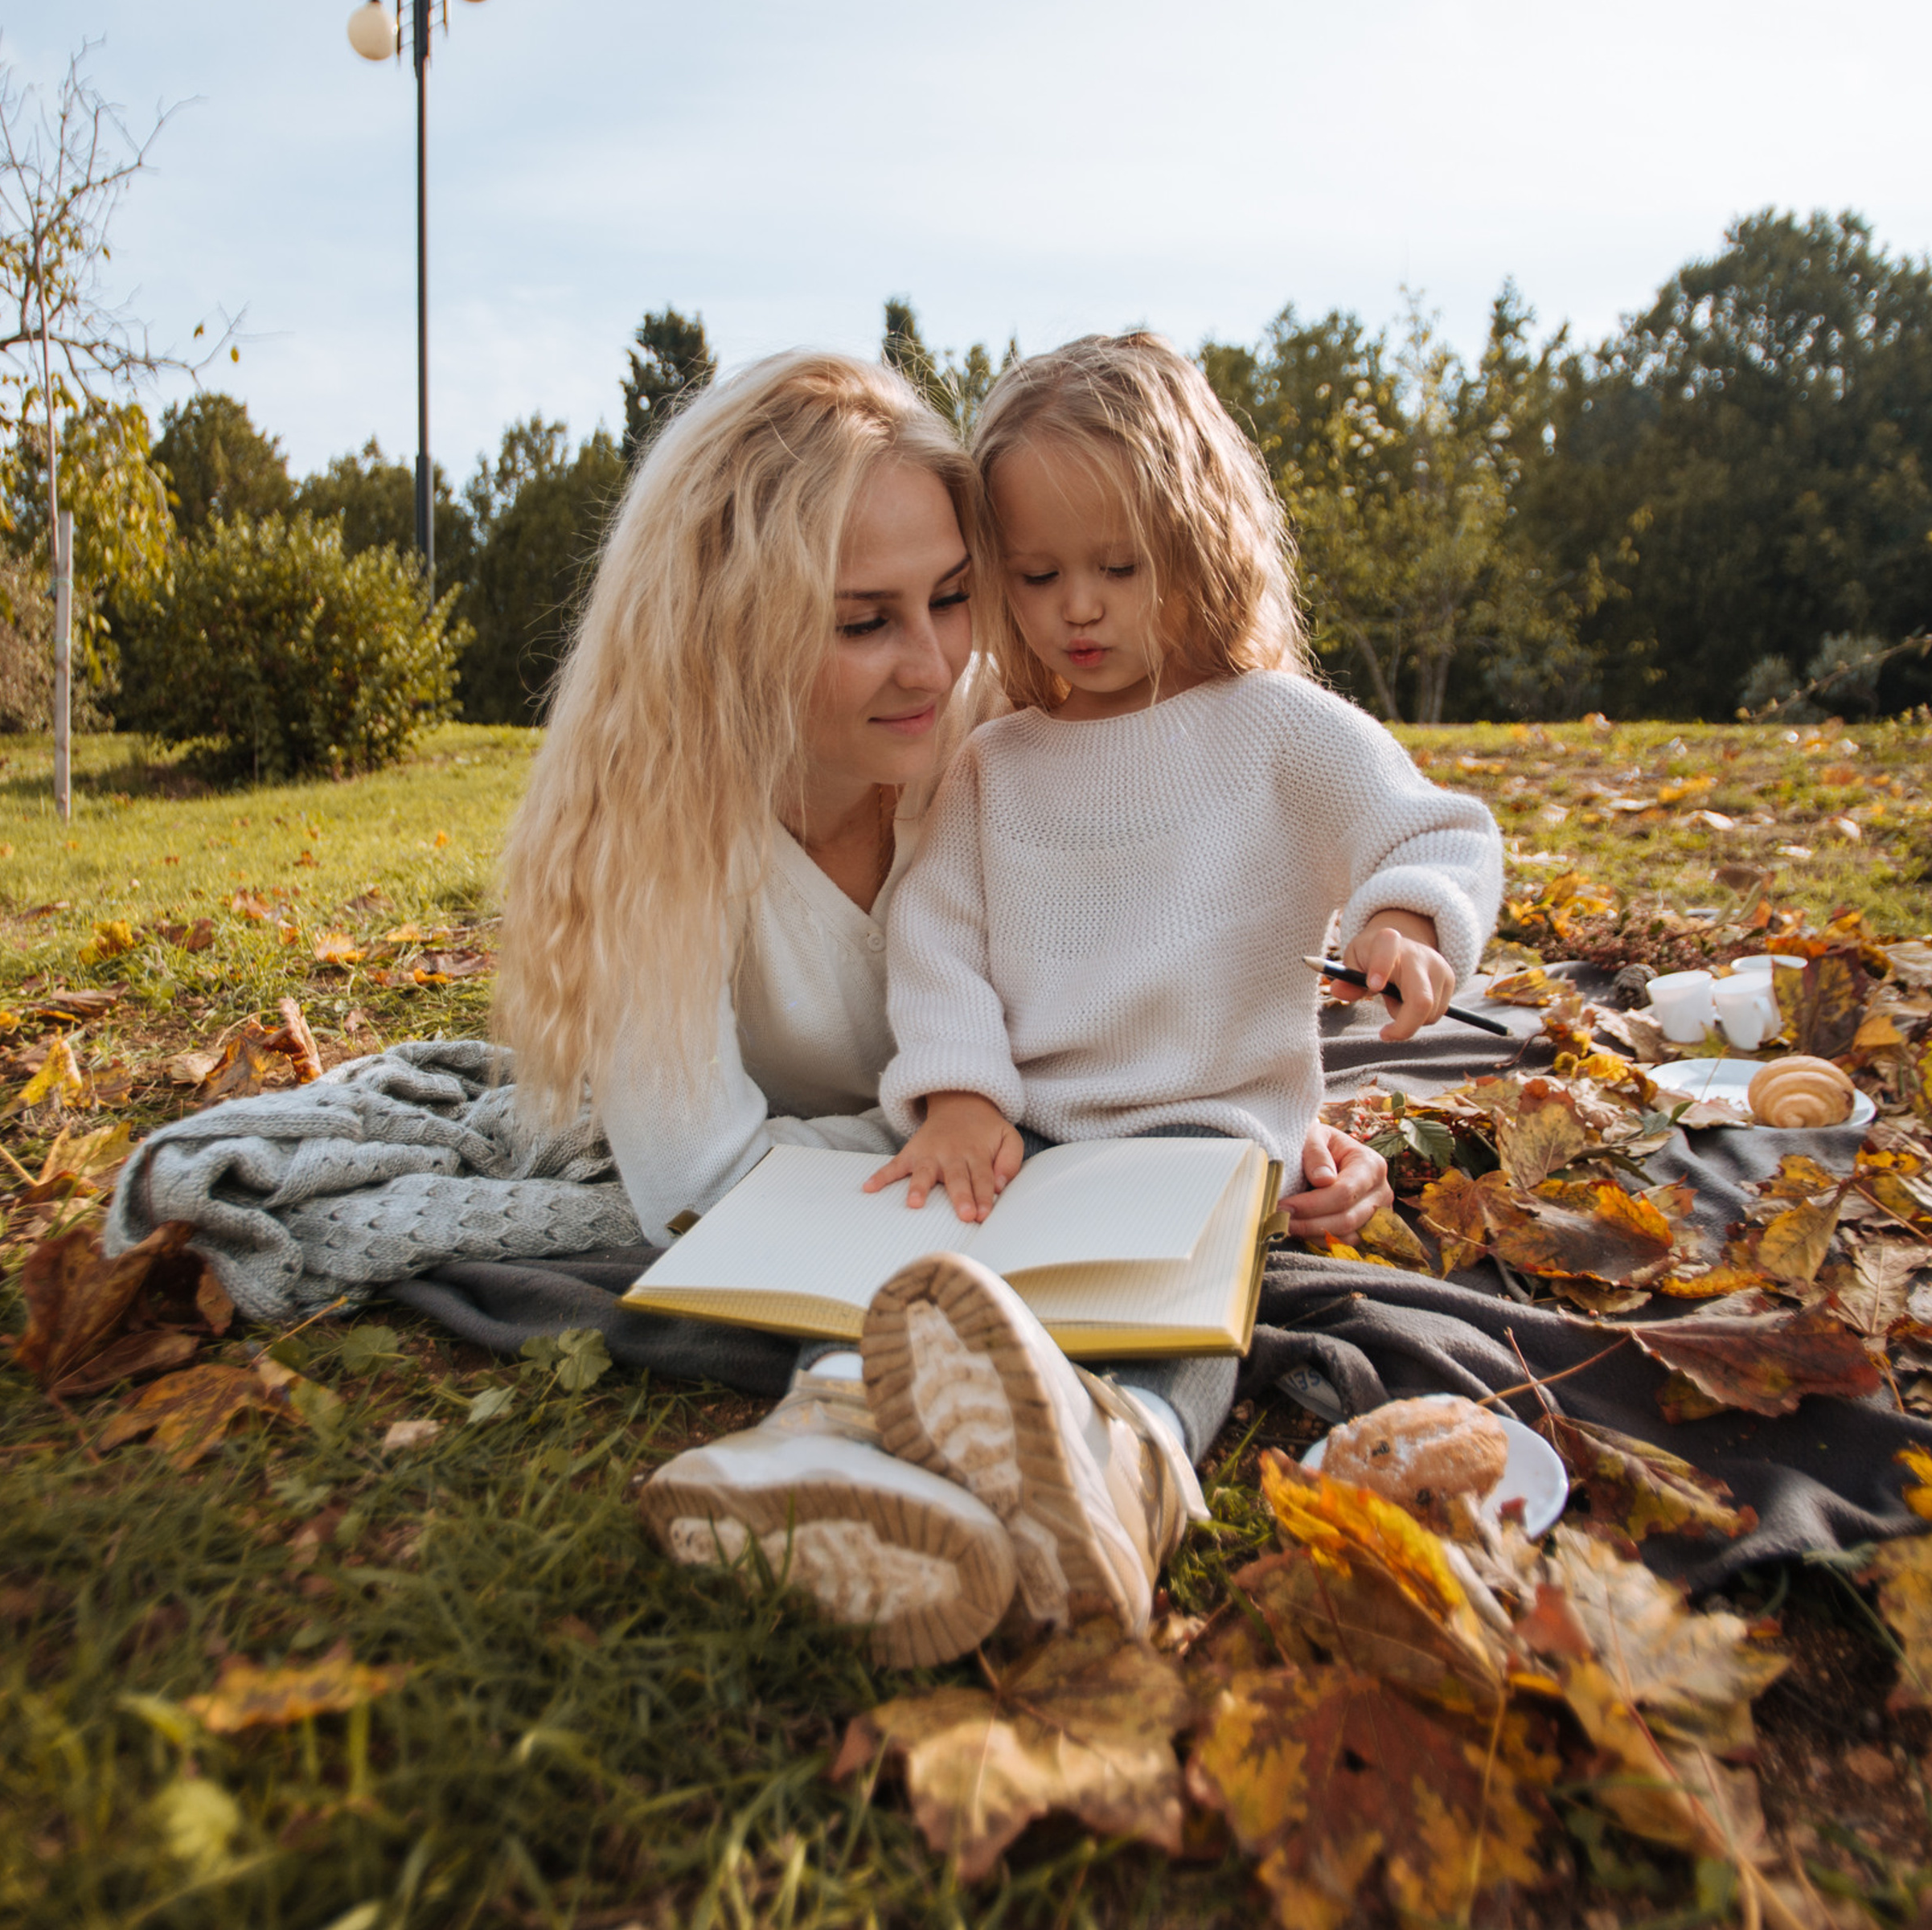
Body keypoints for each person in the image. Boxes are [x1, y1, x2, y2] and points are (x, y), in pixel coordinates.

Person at [496, 350, 1395, 1669]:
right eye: (864, 621)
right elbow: (695, 1182)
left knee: (1180, 1288)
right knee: (941, 1281)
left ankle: (1116, 1474)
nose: (935, 664)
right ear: (735, 626)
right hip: (896, 1197)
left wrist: (1284, 1125)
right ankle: (828, 1470)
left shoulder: (1001, 731)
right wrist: (949, 1156)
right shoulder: (662, 840)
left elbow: (1180, 933)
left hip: (1056, 1169)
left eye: (958, 597)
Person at [850, 332, 1503, 1642]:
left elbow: (1435, 833)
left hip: (1204, 1136)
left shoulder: (1277, 730)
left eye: (1118, 569)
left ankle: (1127, 1471)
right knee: (906, 1268)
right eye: (1035, 577)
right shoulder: (995, 764)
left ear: (1201, 544)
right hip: (1021, 1137)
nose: (1074, 610)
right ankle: (836, 1453)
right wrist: (962, 1093)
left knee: (1180, 1316)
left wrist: (1402, 920)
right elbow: (935, 937)